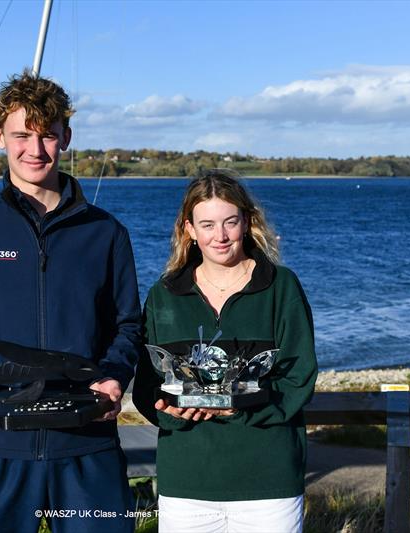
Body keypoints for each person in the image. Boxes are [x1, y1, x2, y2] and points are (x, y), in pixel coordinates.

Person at [0, 70, 141, 533]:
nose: (35, 150)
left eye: (48, 136)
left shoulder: (105, 233)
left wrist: (114, 376)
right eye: (22, 135)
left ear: (66, 137)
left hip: (86, 444)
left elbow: (128, 324)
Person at [132, 170, 317, 533]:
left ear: (247, 222)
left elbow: (300, 377)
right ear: (189, 229)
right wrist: (171, 410)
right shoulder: (164, 295)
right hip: (187, 484)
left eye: (230, 222)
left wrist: (243, 402)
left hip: (269, 483)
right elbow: (147, 386)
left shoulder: (282, 287)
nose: (220, 236)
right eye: (207, 224)